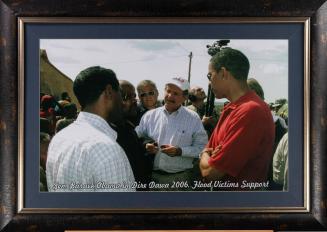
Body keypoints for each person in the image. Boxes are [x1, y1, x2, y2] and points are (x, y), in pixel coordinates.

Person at [46, 66, 135, 192]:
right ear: (109, 91)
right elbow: (122, 208)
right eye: (120, 94)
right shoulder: (107, 150)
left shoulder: (59, 139)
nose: (122, 101)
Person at [199, 48, 275, 191]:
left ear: (223, 73)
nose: (209, 83)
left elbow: (211, 173)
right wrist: (208, 155)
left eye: (210, 76)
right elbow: (209, 153)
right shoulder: (232, 108)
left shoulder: (250, 111)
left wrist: (204, 155)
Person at [135, 77, 208, 191]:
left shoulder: (193, 118)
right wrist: (145, 146)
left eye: (175, 93)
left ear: (185, 97)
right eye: (168, 91)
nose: (170, 96)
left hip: (181, 180)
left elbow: (202, 148)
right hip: (152, 179)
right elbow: (136, 137)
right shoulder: (150, 116)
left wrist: (180, 151)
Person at [110, 80, 153, 190]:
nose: (134, 100)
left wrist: (146, 146)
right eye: (127, 97)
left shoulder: (128, 124)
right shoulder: (109, 132)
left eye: (134, 96)